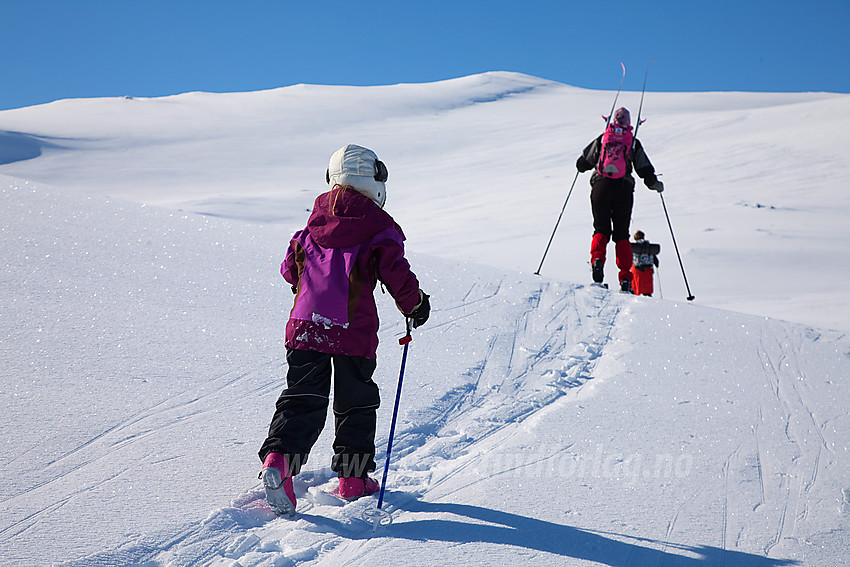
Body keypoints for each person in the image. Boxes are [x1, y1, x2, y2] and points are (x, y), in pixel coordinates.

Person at [258, 144, 430, 517]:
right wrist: (414, 304)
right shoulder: (380, 227)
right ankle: (352, 478)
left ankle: (279, 460)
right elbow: (395, 272)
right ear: (375, 180)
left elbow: (290, 269)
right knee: (356, 402)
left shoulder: (313, 222)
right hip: (353, 330)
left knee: (302, 396)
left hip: (305, 326)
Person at [576, 107, 664, 292]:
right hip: (623, 189)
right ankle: (625, 278)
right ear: (629, 123)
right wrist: (656, 185)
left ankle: (597, 261)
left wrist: (583, 164)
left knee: (600, 229)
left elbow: (582, 163)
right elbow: (645, 171)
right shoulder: (632, 142)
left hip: (600, 187)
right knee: (622, 235)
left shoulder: (603, 138)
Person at [630, 230, 660, 296]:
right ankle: (648, 295)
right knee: (647, 286)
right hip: (648, 269)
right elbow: (654, 258)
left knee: (637, 286)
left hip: (637, 269)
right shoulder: (649, 246)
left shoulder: (634, 247)